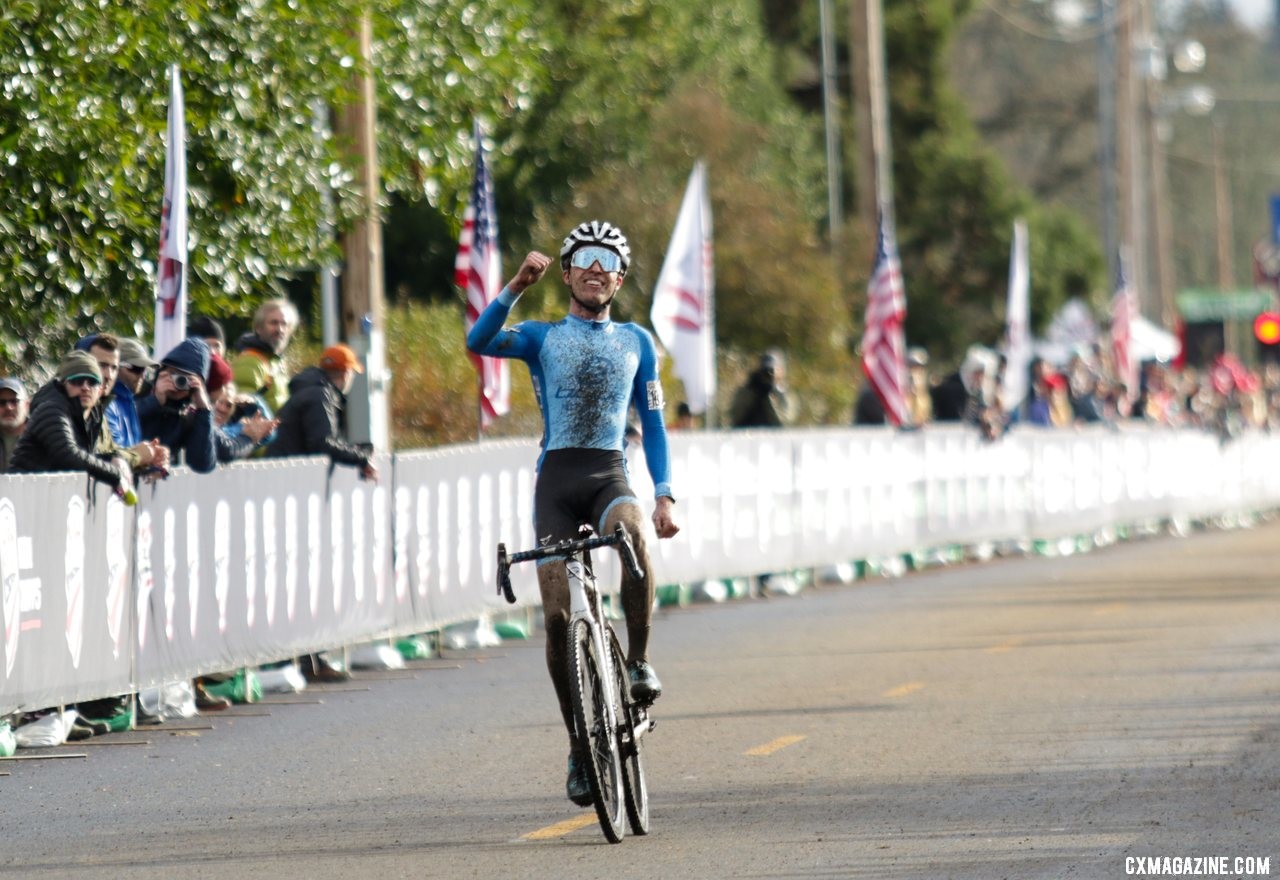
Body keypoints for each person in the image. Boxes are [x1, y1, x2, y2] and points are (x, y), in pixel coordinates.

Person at [465, 220, 679, 807]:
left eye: (607, 260)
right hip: (556, 481)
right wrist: (513, 286)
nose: (594, 268)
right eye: (583, 258)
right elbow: (480, 342)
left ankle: (637, 663)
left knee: (632, 536)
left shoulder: (637, 341)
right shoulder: (540, 335)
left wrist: (663, 493)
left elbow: (653, 423)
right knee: (558, 620)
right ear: (565, 272)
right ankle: (580, 747)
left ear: (620, 277)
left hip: (609, 473)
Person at [8, 351, 130, 493]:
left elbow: (85, 456)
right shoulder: (51, 409)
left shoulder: (92, 417)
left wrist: (113, 458)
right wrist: (114, 474)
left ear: (101, 389)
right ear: (64, 384)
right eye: (77, 381)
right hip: (23, 495)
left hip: (49, 496)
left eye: (92, 382)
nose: (85, 387)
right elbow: (68, 455)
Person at [264, 343, 376, 481]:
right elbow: (322, 443)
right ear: (347, 374)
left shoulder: (310, 391)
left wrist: (358, 451)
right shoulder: (321, 396)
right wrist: (362, 459)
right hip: (287, 478)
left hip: (280, 473)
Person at [137, 337, 218, 474]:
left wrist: (204, 409)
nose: (178, 382)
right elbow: (119, 425)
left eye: (186, 378)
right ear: (162, 370)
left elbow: (202, 464)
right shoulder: (139, 392)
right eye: (173, 374)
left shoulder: (188, 416)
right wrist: (154, 401)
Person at [231, 299, 299, 414]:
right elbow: (243, 411)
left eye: (284, 324)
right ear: (259, 328)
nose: (280, 329)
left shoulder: (276, 361)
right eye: (274, 323)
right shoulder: (250, 360)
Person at [105, 338, 159, 451]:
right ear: (115, 366)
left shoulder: (129, 400)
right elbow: (113, 454)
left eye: (145, 370)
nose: (142, 376)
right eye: (136, 368)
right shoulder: (106, 403)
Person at [730, 350, 795, 428]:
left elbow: (786, 421)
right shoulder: (750, 389)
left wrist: (773, 399)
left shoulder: (783, 392)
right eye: (766, 371)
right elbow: (735, 416)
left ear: (781, 371)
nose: (769, 375)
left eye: (772, 371)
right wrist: (752, 390)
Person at [0, 377, 29, 473]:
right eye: (2, 403)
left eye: (14, 401)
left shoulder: (41, 437)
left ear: (26, 406)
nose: (8, 407)